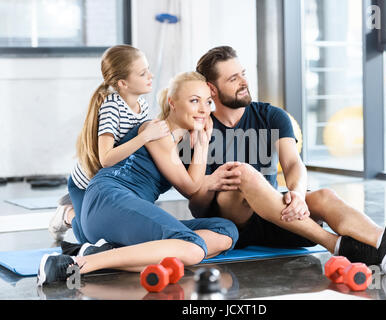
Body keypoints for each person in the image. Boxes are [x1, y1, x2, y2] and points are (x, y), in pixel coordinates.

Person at [188, 46, 386, 273]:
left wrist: (296, 194)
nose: (244, 82)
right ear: (212, 88)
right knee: (244, 172)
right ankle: (334, 244)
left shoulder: (271, 115)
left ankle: (383, 241)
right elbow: (197, 204)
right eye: (233, 79)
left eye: (243, 74)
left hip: (282, 220)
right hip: (231, 226)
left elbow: (293, 164)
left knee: (324, 195)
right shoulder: (199, 127)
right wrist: (212, 181)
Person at [37, 71, 238, 286]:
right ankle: (75, 263)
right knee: (191, 246)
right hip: (109, 199)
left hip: (121, 214)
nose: (203, 109)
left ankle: (111, 252)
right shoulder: (158, 130)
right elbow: (191, 187)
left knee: (226, 230)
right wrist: (202, 145)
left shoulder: (181, 142)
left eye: (208, 102)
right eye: (194, 101)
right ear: (173, 103)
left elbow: (196, 190)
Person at [49, 45, 170, 243]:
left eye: (148, 69)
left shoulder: (143, 105)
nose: (151, 75)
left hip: (110, 181)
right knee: (87, 236)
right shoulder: (112, 107)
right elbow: (106, 159)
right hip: (86, 183)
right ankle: (66, 214)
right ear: (123, 83)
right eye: (143, 73)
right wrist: (145, 136)